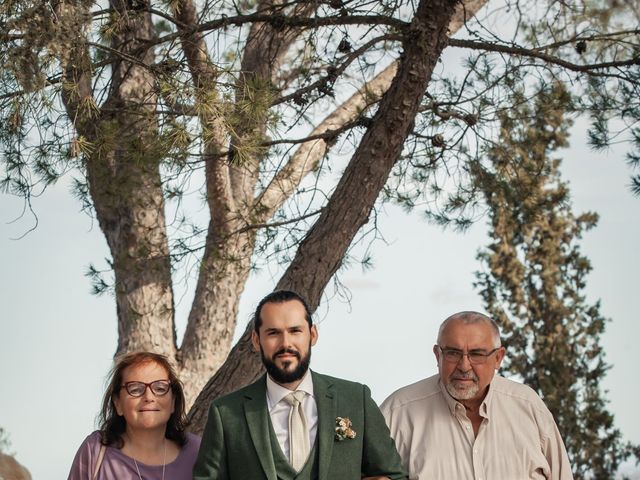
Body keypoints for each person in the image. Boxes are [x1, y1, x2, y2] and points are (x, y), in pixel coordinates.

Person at [193, 290, 407, 480]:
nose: (286, 343)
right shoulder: (226, 413)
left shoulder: (355, 399)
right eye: (273, 333)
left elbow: (393, 475)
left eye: (295, 331)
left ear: (312, 335)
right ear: (257, 340)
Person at [381, 311, 573, 480]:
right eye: (453, 353)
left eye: (477, 354)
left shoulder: (529, 407)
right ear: (437, 355)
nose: (464, 366)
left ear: (498, 358)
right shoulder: (398, 413)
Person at [68, 351, 200, 479]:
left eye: (160, 388)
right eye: (135, 389)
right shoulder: (95, 450)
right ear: (117, 403)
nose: (149, 397)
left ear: (173, 402)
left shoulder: (197, 452)